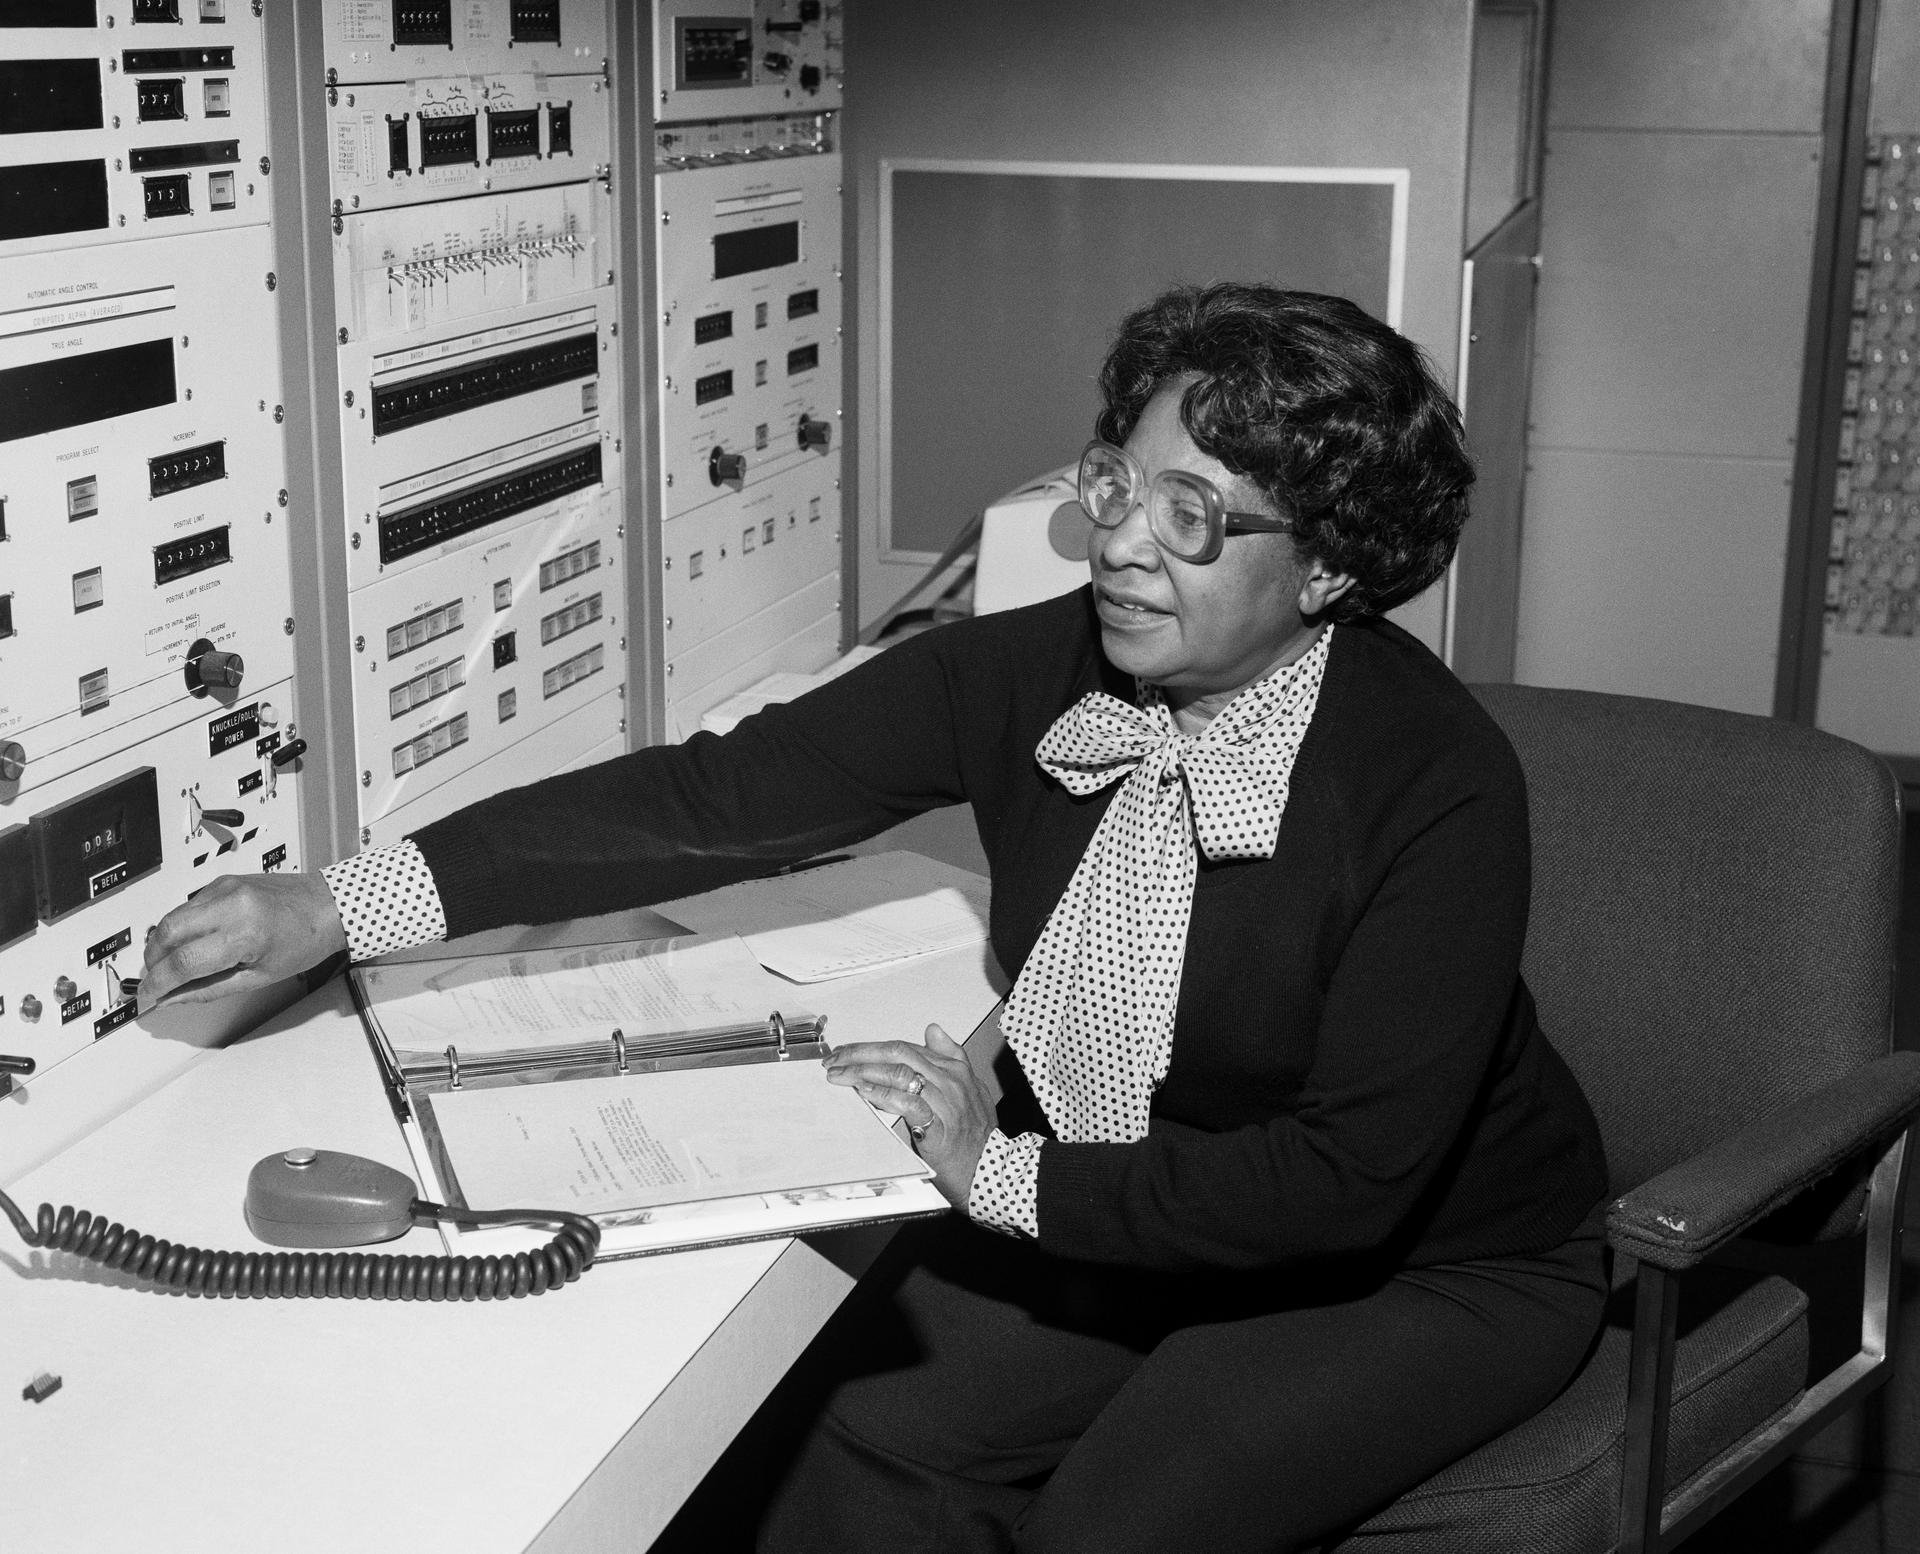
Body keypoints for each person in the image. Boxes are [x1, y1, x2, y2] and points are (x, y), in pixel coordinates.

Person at [141, 283, 1609, 1553]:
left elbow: (1343, 1177)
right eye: (1118, 480)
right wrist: (340, 900)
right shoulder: (1035, 672)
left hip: (1422, 1264)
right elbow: (719, 797)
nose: (1119, 544)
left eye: (1195, 516)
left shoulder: (1437, 786)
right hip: (1139, 1190)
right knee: (857, 1428)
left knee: (1116, 1526)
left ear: (1332, 566)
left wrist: (1004, 1175)